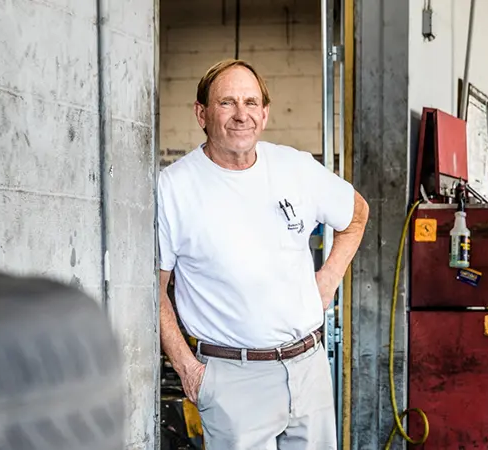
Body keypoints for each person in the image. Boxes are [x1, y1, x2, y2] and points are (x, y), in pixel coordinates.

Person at [156, 58, 369, 450]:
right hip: (232, 380)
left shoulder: (295, 167)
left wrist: (329, 278)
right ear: (201, 113)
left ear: (265, 113)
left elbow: (357, 213)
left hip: (308, 369)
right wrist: (188, 370)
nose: (242, 115)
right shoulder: (174, 189)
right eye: (227, 103)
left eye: (251, 103)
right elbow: (153, 289)